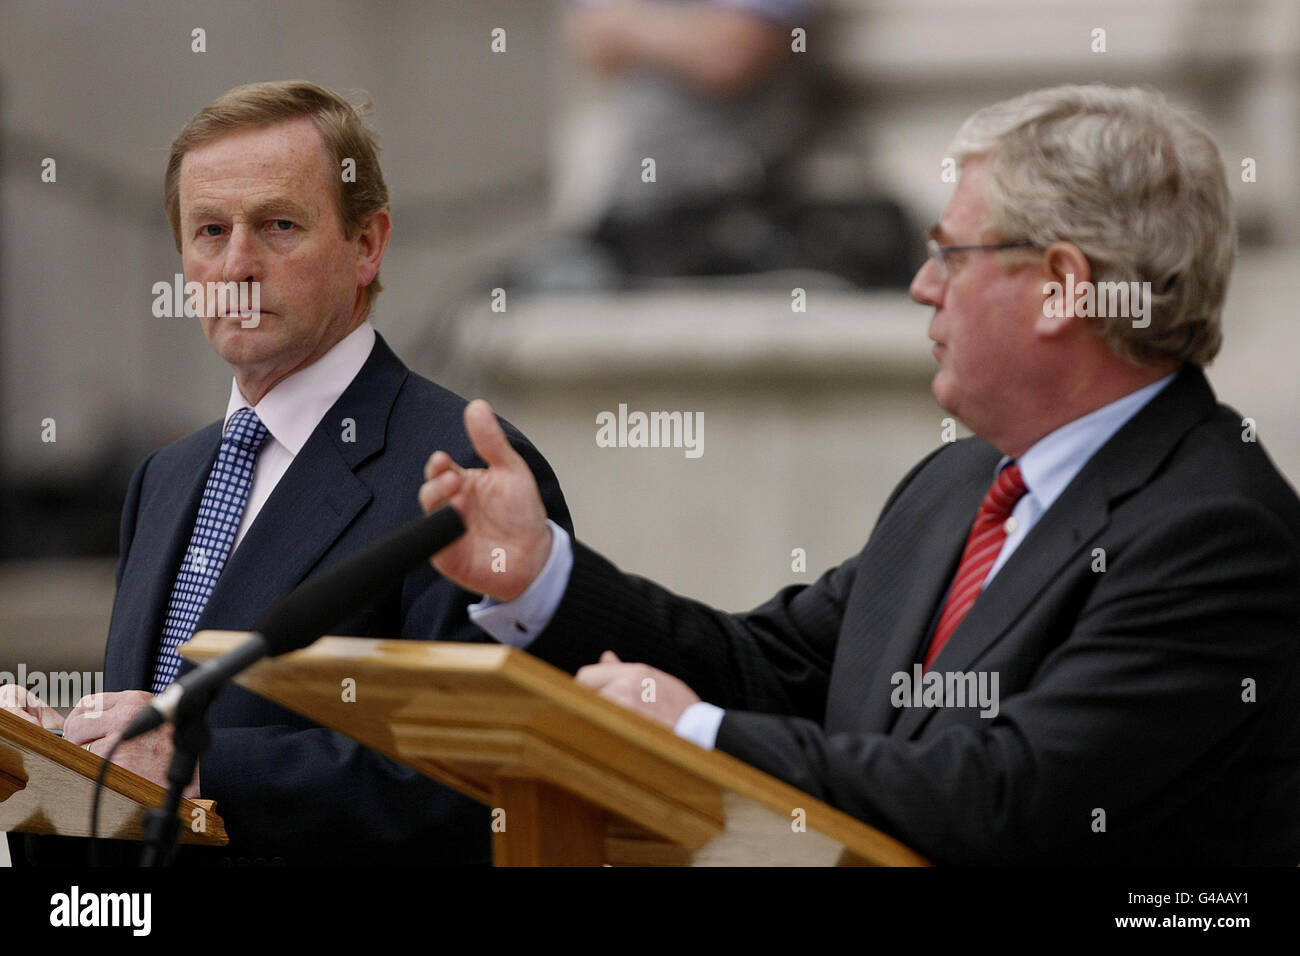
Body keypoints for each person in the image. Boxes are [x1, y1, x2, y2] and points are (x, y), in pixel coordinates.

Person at [416, 84, 1300, 865]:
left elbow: (1010, 798)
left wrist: (693, 733)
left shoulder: (1215, 530)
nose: (921, 286)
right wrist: (539, 576)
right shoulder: (959, 485)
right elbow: (771, 670)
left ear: (1065, 287)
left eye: (952, 254)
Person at [2, 80, 572, 866]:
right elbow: (132, 797)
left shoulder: (465, 472)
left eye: (277, 226)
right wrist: (44, 767)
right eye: (208, 231)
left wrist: (203, 769)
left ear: (367, 244)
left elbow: (490, 786)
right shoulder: (165, 479)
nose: (236, 264)